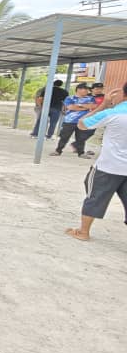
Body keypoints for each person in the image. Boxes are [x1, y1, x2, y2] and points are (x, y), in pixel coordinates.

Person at [65, 84, 126, 241]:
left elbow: (82, 124)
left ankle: (83, 232)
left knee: (95, 196)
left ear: (124, 95)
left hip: (109, 167)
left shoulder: (112, 113)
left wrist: (103, 105)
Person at [51, 83, 96, 158]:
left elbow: (93, 106)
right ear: (79, 90)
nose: (87, 91)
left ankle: (81, 153)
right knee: (64, 137)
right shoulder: (70, 98)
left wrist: (79, 105)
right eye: (85, 89)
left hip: (82, 121)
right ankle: (58, 150)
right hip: (69, 121)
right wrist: (85, 107)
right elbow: (70, 107)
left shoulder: (90, 98)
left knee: (81, 138)